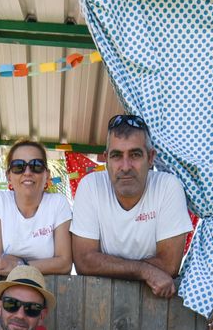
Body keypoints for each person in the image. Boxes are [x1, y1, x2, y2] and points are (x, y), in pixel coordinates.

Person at [71, 114, 193, 298]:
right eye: (117, 155)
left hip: (156, 304)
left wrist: (107, 265)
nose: (125, 166)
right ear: (106, 160)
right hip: (99, 300)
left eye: (135, 154)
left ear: (151, 158)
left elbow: (169, 265)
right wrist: (144, 271)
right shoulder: (90, 185)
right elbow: (83, 262)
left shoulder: (168, 186)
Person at [0, 141, 73, 277]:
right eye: (19, 166)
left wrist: (18, 265)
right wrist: (46, 264)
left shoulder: (58, 203)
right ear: (9, 176)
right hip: (5, 288)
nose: (28, 172)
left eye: (36, 166)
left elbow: (65, 264)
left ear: (47, 175)